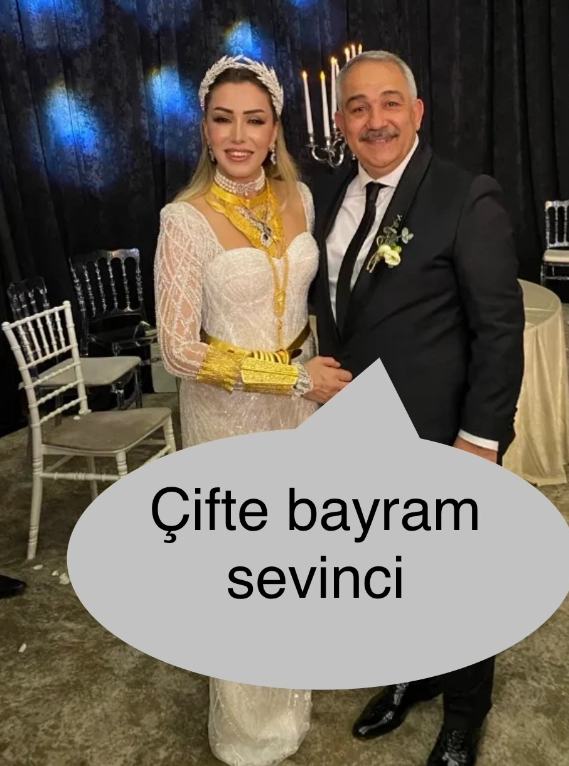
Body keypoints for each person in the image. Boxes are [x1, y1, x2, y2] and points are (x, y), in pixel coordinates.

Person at [310, 50, 525, 766]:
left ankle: (464, 714)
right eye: (358, 107)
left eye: (389, 102)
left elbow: (500, 329)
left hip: (443, 435)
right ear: (341, 122)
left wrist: (480, 440)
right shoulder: (330, 197)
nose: (375, 120)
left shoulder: (465, 195)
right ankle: (413, 672)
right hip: (360, 430)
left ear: (417, 111)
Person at [154, 55, 351, 766]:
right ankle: (246, 732)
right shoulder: (183, 221)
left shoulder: (300, 198)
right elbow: (178, 351)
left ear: (274, 131)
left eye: (254, 120)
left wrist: (317, 381)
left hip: (300, 416)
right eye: (223, 119)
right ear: (205, 131)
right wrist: (293, 379)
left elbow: (309, 306)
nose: (239, 136)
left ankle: (290, 690)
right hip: (227, 420)